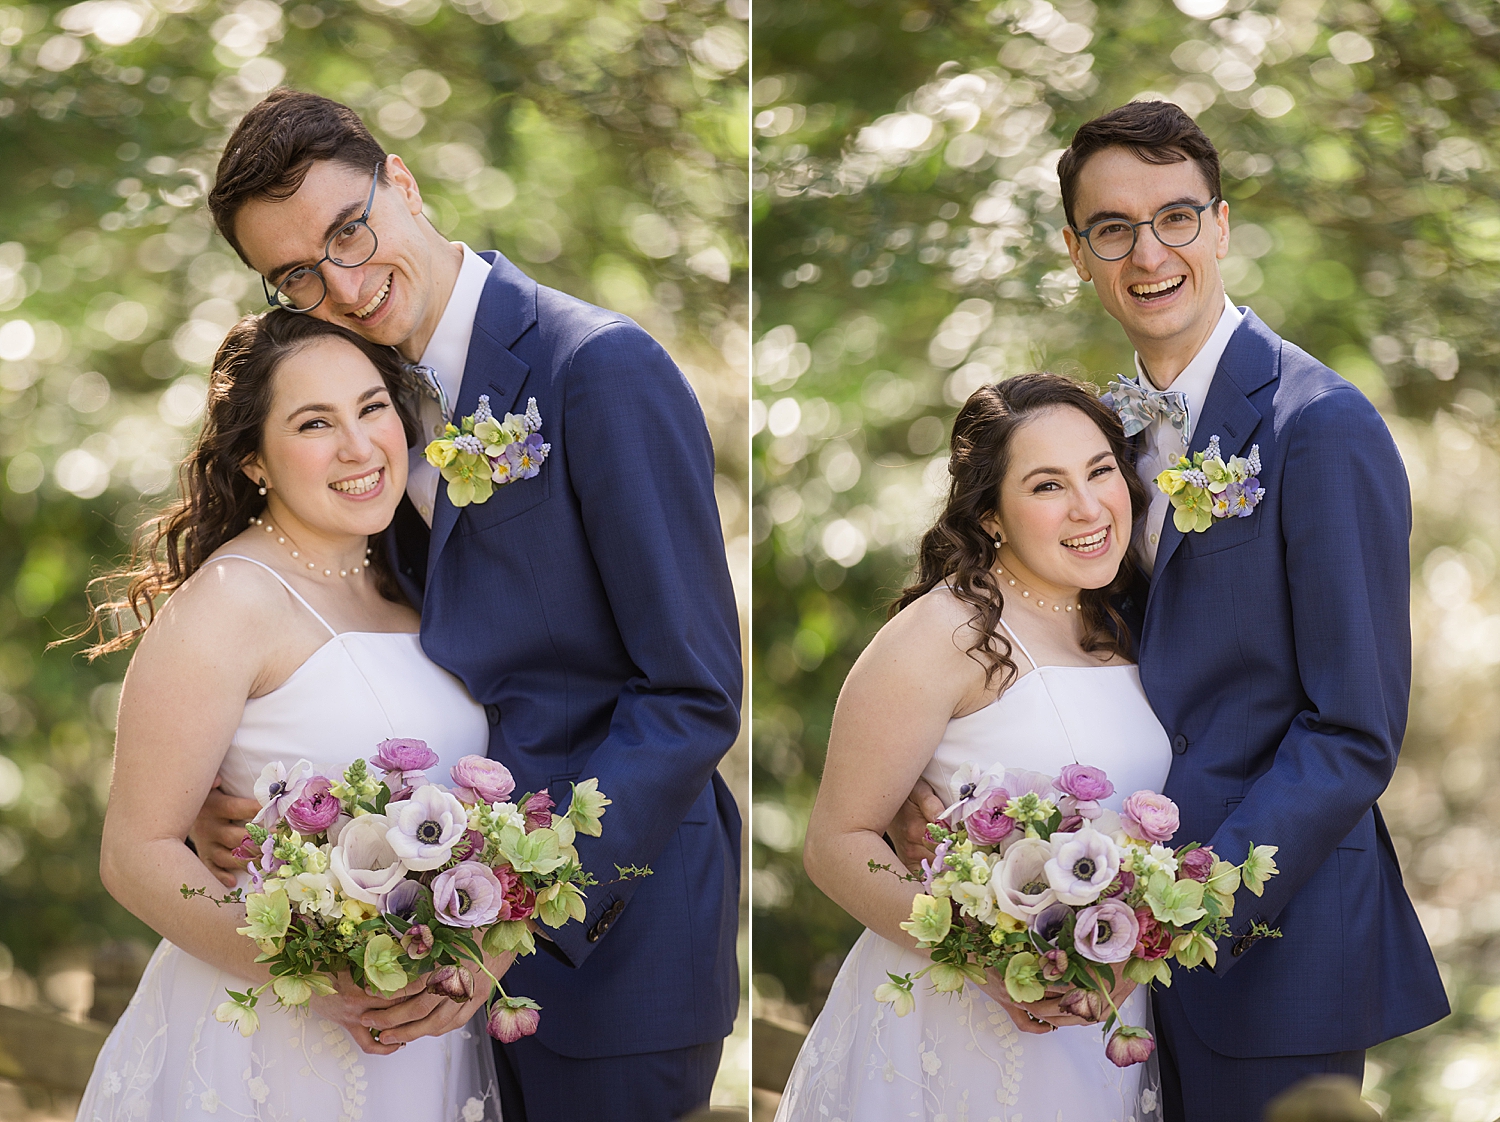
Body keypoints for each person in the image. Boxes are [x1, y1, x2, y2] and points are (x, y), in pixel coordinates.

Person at [188, 89, 743, 1121]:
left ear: (402, 182)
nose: (343, 285)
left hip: (612, 959)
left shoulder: (599, 370)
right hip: (419, 964)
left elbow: (693, 694)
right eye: (296, 274)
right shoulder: (361, 414)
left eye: (350, 231)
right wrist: (249, 809)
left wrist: (512, 915)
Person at [892, 101, 1448, 1121]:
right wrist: (940, 794)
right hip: (1105, 945)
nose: (1149, 252)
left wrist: (1176, 910)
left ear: (1221, 227)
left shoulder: (1319, 426)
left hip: (1273, 946)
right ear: (1078, 252)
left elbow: (1353, 730)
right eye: (1114, 228)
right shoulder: (1105, 438)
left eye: (1177, 218)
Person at [75, 311, 505, 1121]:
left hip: (425, 1034)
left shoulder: (411, 586)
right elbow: (135, 852)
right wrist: (305, 973)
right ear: (255, 460)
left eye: (372, 407)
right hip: (267, 1043)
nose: (358, 445)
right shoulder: (232, 600)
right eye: (315, 423)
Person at [776, 373, 1167, 1121]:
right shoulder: (945, 633)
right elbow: (834, 843)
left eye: (1100, 471)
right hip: (958, 1025)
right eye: (1048, 485)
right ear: (990, 515)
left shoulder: (1126, 620)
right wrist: (984, 955)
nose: (1088, 507)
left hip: (1105, 1027)